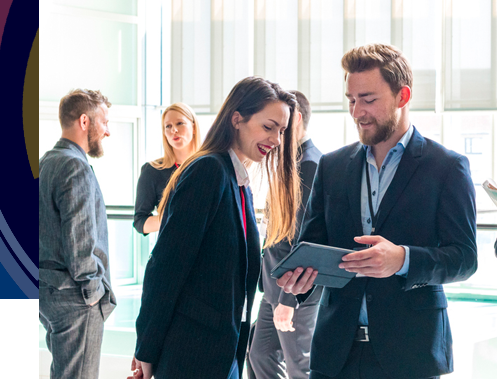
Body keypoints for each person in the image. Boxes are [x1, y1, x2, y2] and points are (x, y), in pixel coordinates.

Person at [277, 43, 478, 379]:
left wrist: (403, 259)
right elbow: (313, 247)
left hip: (410, 356)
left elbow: (464, 258)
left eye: (368, 100)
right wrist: (301, 283)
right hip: (334, 355)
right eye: (352, 101)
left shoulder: (446, 167)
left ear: (403, 96)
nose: (357, 112)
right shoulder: (332, 166)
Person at [128, 76, 302, 379]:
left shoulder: (238, 181)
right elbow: (166, 266)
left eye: (282, 130)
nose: (276, 139)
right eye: (268, 126)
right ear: (237, 119)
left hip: (222, 350)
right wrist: (146, 348)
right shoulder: (208, 170)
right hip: (193, 353)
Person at [39, 89, 117, 379]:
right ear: (85, 121)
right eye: (105, 122)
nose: (107, 132)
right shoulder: (75, 165)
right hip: (76, 297)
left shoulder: (48, 160)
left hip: (50, 291)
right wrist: (93, 292)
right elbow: (80, 238)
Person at [248, 90, 322, 379]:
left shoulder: (311, 165)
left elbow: (308, 240)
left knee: (298, 366)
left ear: (298, 119)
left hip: (296, 289)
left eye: (281, 126)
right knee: (260, 355)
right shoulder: (288, 162)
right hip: (273, 284)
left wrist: (289, 300)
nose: (275, 136)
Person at [133, 102, 202, 235]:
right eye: (168, 126)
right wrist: (172, 218)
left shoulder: (212, 168)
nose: (173, 130)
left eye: (179, 123)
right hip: (171, 249)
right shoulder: (152, 170)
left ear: (193, 127)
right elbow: (139, 222)